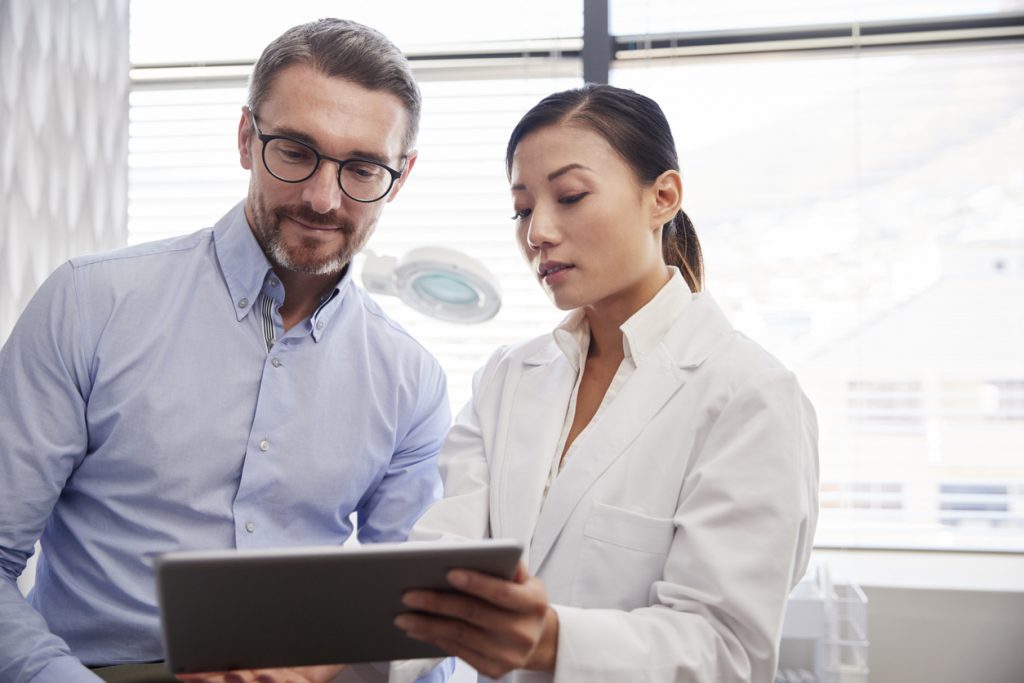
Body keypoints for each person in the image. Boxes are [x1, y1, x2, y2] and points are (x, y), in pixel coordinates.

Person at [0, 19, 454, 683]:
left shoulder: (410, 379)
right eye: (296, 151)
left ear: (400, 175)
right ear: (247, 138)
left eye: (361, 168)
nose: (323, 198)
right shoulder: (89, 303)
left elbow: (418, 615)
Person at [388, 84, 820, 683]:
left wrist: (550, 641)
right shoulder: (507, 378)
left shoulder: (749, 395)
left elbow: (726, 651)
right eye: (521, 208)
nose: (536, 231)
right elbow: (437, 567)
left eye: (569, 196)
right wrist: (312, 664)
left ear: (662, 197)